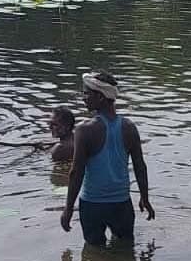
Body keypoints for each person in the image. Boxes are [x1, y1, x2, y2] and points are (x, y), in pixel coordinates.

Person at [61, 71, 154, 246]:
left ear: (101, 97)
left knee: (94, 253)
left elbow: (76, 172)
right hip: (121, 204)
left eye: (87, 93)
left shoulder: (84, 130)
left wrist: (68, 209)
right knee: (126, 250)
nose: (83, 98)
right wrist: (144, 198)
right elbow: (140, 166)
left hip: (92, 204)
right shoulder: (129, 127)